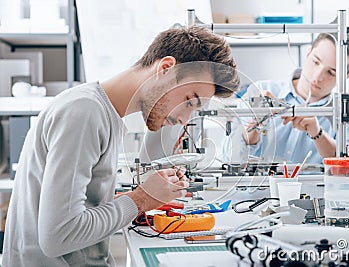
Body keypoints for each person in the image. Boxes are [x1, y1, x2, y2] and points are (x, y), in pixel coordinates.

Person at [2, 26, 239, 266]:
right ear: (166, 69)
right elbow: (58, 236)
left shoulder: (104, 114)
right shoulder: (85, 112)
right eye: (189, 101)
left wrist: (147, 197)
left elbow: (80, 208)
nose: (184, 120)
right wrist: (141, 199)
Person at [223, 32, 349, 164]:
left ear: (346, 77)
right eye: (316, 62)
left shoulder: (345, 111)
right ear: (308, 53)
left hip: (314, 191)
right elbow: (229, 158)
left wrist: (318, 133)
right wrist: (255, 125)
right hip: (260, 191)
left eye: (331, 72)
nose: (318, 76)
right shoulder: (260, 91)